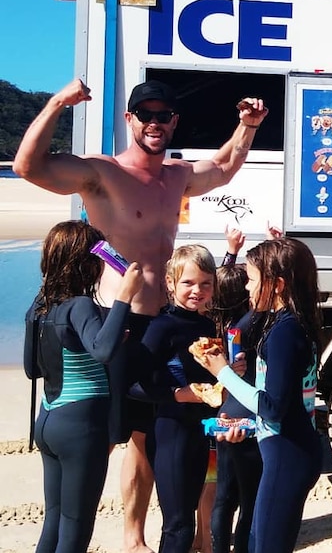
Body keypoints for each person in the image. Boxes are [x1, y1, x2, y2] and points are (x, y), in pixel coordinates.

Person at [14, 78, 268, 553]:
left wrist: (246, 126)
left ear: (174, 122)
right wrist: (55, 103)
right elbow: (29, 167)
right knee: (125, 435)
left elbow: (225, 167)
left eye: (163, 115)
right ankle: (131, 537)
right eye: (145, 114)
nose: (154, 122)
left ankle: (193, 532)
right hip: (116, 323)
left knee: (172, 427)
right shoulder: (101, 172)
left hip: (167, 321)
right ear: (130, 119)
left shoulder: (176, 175)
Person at [192, 237, 323, 552]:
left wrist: (221, 371)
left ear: (277, 285)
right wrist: (246, 427)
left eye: (252, 280)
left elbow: (273, 407)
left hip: (288, 455)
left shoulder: (285, 331)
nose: (247, 289)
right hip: (287, 449)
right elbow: (285, 404)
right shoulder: (284, 323)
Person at [31, 220, 144, 553]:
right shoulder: (80, 305)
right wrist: (125, 294)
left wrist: (90, 344)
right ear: (88, 264)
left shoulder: (40, 306)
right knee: (76, 529)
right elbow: (104, 350)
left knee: (53, 522)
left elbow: (31, 367)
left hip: (48, 419)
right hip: (81, 427)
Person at [132, 244, 220, 553]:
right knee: (178, 526)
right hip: (170, 432)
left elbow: (210, 380)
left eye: (205, 283)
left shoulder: (207, 326)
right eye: (188, 283)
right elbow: (132, 385)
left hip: (199, 432)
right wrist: (179, 394)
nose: (197, 291)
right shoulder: (162, 327)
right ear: (170, 283)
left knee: (189, 523)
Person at [209, 230, 264, 553]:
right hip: (244, 416)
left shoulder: (214, 324)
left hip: (219, 416)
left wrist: (231, 253)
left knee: (222, 496)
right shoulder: (248, 326)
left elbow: (223, 281)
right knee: (248, 498)